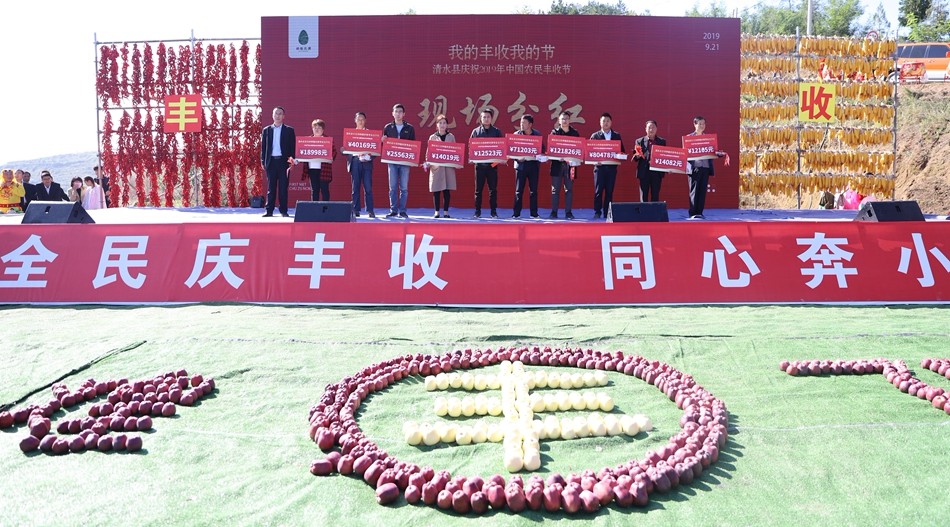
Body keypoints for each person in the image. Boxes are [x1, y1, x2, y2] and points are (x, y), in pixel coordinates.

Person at [685, 116, 725, 219]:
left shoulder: (708, 138)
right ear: (695, 124)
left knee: (702, 191)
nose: (702, 126)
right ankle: (693, 212)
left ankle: (700, 212)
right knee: (694, 191)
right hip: (694, 168)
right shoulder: (689, 138)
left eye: (703, 124)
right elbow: (685, 154)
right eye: (700, 124)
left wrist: (718, 154)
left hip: (705, 168)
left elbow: (713, 151)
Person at [260, 106, 296, 217]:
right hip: (271, 162)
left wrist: (291, 162)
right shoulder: (266, 130)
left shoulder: (289, 130)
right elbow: (263, 147)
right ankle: (269, 210)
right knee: (271, 188)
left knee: (283, 188)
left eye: (280, 114)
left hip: (284, 162)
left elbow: (292, 148)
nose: (278, 116)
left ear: (283, 116)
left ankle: (283, 210)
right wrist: (263, 161)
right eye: (276, 113)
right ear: (272, 115)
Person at [382, 103, 415, 218]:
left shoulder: (409, 128)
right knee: (392, 187)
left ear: (404, 114)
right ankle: (393, 210)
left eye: (400, 112)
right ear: (392, 113)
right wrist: (382, 140)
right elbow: (384, 145)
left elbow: (413, 145)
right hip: (392, 161)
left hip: (405, 161)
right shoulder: (388, 127)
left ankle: (403, 210)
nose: (398, 114)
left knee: (404, 188)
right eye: (396, 111)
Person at [590, 112, 625, 219]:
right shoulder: (595, 136)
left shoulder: (616, 136)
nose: (606, 123)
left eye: (608, 121)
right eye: (604, 121)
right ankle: (597, 211)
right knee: (598, 191)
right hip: (599, 168)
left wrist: (620, 155)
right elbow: (590, 153)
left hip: (611, 168)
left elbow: (622, 151)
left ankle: (607, 212)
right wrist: (594, 161)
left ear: (611, 122)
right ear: (600, 123)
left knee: (609, 191)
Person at [470, 108, 504, 218]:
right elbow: (471, 148)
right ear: (480, 118)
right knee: (478, 191)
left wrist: (495, 163)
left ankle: (493, 211)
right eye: (484, 117)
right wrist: (471, 158)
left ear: (491, 118)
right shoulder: (476, 132)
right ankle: (477, 211)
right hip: (479, 167)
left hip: (492, 167)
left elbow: (502, 149)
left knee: (493, 190)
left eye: (488, 117)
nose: (486, 119)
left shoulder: (497, 132)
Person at [549, 110, 580, 219]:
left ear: (570, 120)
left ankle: (568, 212)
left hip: (570, 166)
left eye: (566, 119)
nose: (565, 121)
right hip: (557, 165)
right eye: (562, 119)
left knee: (569, 190)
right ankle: (554, 212)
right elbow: (551, 149)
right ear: (559, 121)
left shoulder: (575, 133)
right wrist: (558, 156)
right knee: (555, 190)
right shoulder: (554, 133)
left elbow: (579, 150)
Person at [426, 114, 457, 218]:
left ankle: (446, 212)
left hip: (448, 167)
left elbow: (456, 152)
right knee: (436, 190)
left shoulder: (451, 137)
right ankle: (437, 212)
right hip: (436, 167)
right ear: (437, 125)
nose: (442, 125)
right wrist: (428, 163)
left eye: (444, 123)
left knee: (446, 190)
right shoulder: (432, 137)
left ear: (447, 125)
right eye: (440, 123)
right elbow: (429, 153)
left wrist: (456, 162)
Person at [301, 119, 338, 201]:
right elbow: (302, 152)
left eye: (319, 128)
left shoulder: (328, 140)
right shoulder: (307, 140)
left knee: (325, 190)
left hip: (324, 169)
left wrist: (331, 157)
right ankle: (315, 208)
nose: (317, 130)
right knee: (314, 190)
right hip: (312, 168)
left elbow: (334, 152)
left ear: (323, 129)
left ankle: (325, 208)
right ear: (312, 129)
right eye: (315, 128)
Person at [512, 114, 542, 218]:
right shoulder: (516, 135)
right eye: (521, 123)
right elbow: (511, 150)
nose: (521, 125)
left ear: (530, 124)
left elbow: (542, 150)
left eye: (524, 123)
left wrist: (539, 156)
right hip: (520, 166)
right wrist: (517, 158)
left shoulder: (537, 135)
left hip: (533, 166)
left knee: (533, 191)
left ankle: (534, 214)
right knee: (518, 191)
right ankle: (516, 214)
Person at [348, 111, 375, 218]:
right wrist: (343, 150)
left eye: (362, 119)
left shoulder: (370, 134)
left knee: (368, 187)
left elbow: (376, 149)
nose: (360, 121)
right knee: (355, 187)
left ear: (365, 121)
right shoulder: (350, 134)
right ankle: (356, 210)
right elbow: (347, 149)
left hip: (367, 162)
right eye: (358, 119)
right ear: (355, 120)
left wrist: (369, 157)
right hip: (355, 161)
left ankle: (370, 210)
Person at [633, 120, 666, 202]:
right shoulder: (639, 141)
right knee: (644, 196)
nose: (651, 130)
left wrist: (668, 168)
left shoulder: (662, 141)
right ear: (645, 129)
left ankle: (654, 210)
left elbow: (665, 157)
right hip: (644, 172)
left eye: (653, 127)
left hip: (657, 172)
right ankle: (644, 211)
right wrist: (637, 155)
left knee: (655, 195)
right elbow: (636, 158)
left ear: (656, 129)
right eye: (649, 127)